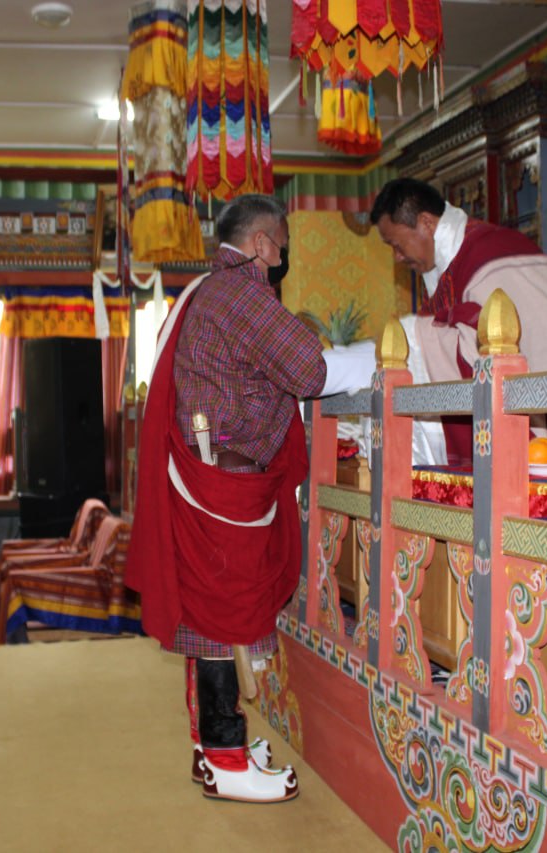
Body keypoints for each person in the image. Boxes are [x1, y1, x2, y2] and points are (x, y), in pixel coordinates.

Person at [126, 194, 365, 804]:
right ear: (260, 243)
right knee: (217, 620)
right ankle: (227, 756)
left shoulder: (210, 290)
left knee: (216, 616)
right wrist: (378, 362)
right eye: (281, 245)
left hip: (215, 477)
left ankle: (215, 750)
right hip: (221, 485)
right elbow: (307, 372)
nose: (282, 256)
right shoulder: (241, 292)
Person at [370, 177, 547, 465]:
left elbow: (481, 344)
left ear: (427, 223)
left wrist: (411, 334)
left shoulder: (483, 252)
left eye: (395, 244)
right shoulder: (464, 260)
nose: (396, 257)